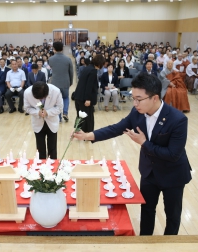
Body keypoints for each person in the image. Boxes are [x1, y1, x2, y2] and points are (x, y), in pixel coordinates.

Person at [73, 72, 191, 236]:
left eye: (139, 99)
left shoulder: (177, 119)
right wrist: (88, 135)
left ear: (154, 98)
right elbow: (116, 128)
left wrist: (144, 143)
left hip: (173, 174)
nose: (134, 103)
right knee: (147, 210)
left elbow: (173, 154)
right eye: (133, 97)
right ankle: (144, 242)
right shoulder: (138, 113)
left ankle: (168, 245)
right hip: (149, 172)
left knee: (172, 214)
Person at [24, 81, 63, 159]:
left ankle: (52, 168)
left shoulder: (56, 91)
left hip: (52, 122)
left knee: (52, 148)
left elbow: (59, 108)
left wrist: (48, 112)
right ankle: (41, 167)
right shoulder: (27, 92)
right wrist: (37, 112)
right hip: (37, 122)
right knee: (40, 148)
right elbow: (27, 108)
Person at [73, 55, 105, 132]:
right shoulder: (93, 71)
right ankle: (87, 134)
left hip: (78, 96)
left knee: (80, 116)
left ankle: (77, 131)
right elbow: (89, 86)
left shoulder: (87, 68)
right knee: (88, 117)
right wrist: (87, 99)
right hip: (85, 98)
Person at [48, 42, 74, 122]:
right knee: (65, 98)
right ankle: (65, 113)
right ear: (62, 48)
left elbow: (51, 70)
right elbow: (71, 72)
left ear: (54, 49)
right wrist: (71, 81)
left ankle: (58, 117)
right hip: (65, 81)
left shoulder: (51, 59)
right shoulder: (68, 59)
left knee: (56, 100)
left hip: (55, 82)